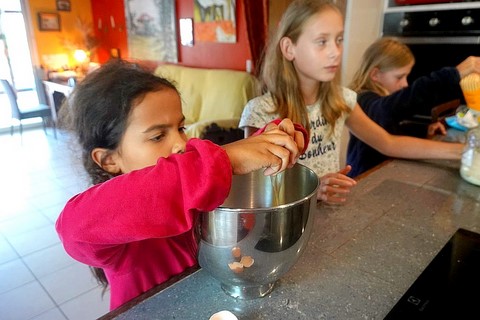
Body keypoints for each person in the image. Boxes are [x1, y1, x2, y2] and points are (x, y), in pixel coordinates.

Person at [55, 59, 306, 310]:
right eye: (157, 136)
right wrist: (225, 159)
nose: (181, 143)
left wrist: (280, 136)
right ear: (109, 160)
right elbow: (72, 228)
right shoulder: (117, 236)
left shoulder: (191, 183)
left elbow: (224, 164)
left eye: (181, 127)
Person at [239, 0, 464, 204]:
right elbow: (256, 190)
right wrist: (312, 192)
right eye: (321, 42)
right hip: (286, 228)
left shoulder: (341, 100)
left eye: (338, 40)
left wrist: (462, 152)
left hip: (330, 213)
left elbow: (388, 143)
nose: (335, 52)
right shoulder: (261, 112)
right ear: (289, 48)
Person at [347, 37, 480, 177]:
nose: (405, 84)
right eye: (399, 77)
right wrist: (453, 74)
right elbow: (388, 110)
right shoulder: (364, 100)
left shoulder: (380, 100)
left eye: (406, 77)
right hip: (363, 178)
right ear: (375, 74)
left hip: (384, 172)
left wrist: (422, 130)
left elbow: (389, 129)